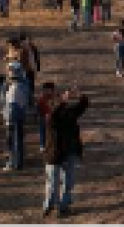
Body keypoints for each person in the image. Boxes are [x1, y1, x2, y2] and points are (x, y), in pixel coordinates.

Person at [43, 86, 89, 218]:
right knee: (53, 182)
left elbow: (83, 105)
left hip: (66, 152)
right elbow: (54, 114)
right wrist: (63, 101)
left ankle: (61, 206)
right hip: (55, 153)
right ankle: (51, 205)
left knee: (66, 182)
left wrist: (80, 94)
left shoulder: (68, 112)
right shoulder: (51, 117)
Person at [1, 61, 28, 171]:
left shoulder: (7, 84)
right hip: (20, 113)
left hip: (10, 114)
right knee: (18, 139)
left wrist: (3, 112)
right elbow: (28, 98)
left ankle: (12, 162)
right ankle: (19, 163)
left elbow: (2, 100)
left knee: (10, 140)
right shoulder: (25, 83)